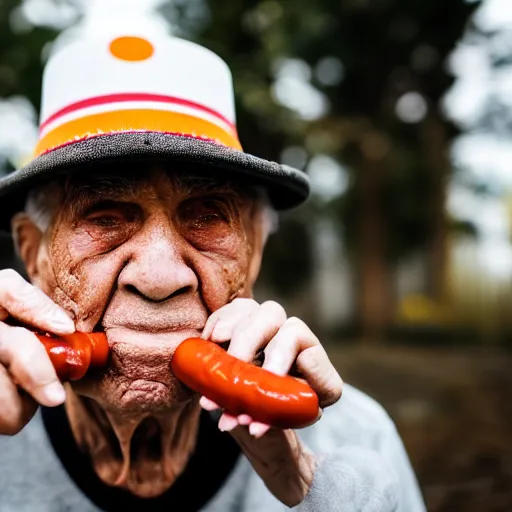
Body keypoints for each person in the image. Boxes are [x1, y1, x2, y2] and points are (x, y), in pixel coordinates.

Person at [0, 25, 426, 512]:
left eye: (207, 216)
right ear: (32, 253)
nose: (160, 278)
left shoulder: (356, 438)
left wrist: (310, 487)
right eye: (104, 217)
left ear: (255, 249)